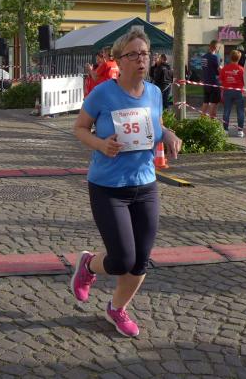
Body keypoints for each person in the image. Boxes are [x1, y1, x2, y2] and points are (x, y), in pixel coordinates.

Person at [70, 28, 182, 338]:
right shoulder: (103, 93)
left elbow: (155, 125)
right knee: (121, 260)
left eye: (144, 53)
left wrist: (168, 134)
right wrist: (100, 144)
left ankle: (116, 309)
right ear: (119, 60)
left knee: (140, 261)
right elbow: (79, 128)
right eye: (133, 54)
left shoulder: (154, 92)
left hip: (145, 185)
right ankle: (88, 265)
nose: (141, 59)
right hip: (108, 187)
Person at [221, 50, 245, 137]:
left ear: (230, 57)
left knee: (226, 111)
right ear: (239, 58)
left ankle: (225, 130)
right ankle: (240, 131)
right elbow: (244, 81)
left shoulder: (224, 68)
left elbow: (221, 80)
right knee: (240, 111)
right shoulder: (242, 69)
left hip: (227, 91)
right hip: (239, 92)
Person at [200, 40, 221, 119]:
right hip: (214, 82)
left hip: (206, 82)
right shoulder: (215, 57)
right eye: (218, 47)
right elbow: (218, 70)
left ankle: (202, 119)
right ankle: (212, 120)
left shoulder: (203, 57)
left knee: (205, 101)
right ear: (216, 47)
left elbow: (204, 68)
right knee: (213, 102)